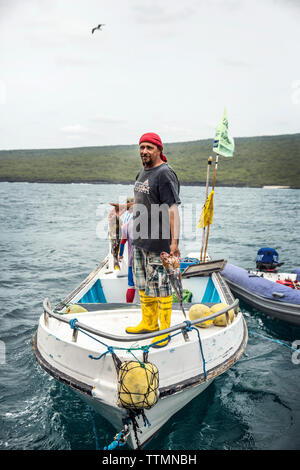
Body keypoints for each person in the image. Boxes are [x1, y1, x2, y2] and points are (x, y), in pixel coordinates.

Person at [125, 132, 181, 348]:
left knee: (161, 287)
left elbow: (173, 209)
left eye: (149, 147)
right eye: (142, 147)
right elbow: (144, 200)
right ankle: (148, 323)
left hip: (159, 243)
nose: (144, 151)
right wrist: (125, 207)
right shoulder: (143, 171)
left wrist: (174, 242)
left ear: (159, 150)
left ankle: (164, 331)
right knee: (143, 285)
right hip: (139, 241)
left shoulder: (165, 174)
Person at [118, 199, 135, 302]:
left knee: (131, 286)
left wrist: (120, 255)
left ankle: (129, 305)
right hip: (144, 261)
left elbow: (122, 242)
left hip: (131, 261)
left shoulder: (126, 225)